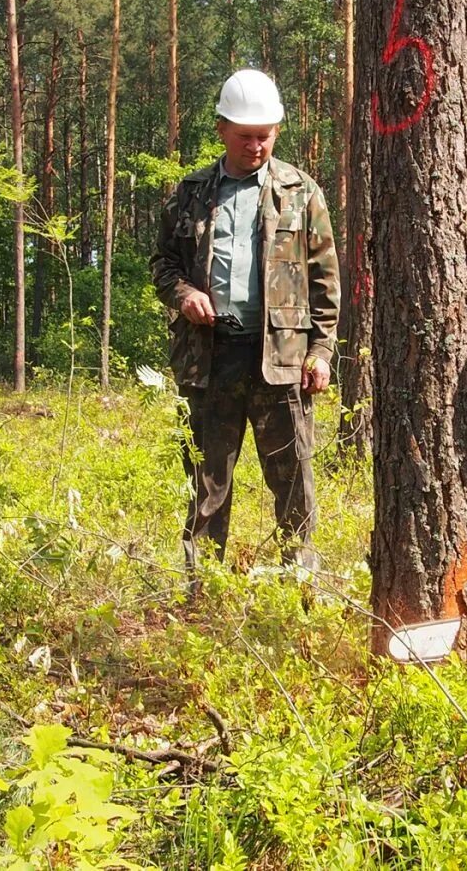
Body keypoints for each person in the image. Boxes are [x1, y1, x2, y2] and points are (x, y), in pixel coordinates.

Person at [151, 69, 339, 583]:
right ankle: (202, 590)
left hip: (283, 361)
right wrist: (185, 293)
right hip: (210, 360)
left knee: (293, 485)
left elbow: (326, 282)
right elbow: (163, 264)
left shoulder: (301, 192)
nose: (256, 146)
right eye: (245, 136)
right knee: (206, 487)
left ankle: (299, 589)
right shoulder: (190, 194)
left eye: (265, 135)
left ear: (277, 131)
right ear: (221, 130)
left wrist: (320, 353)